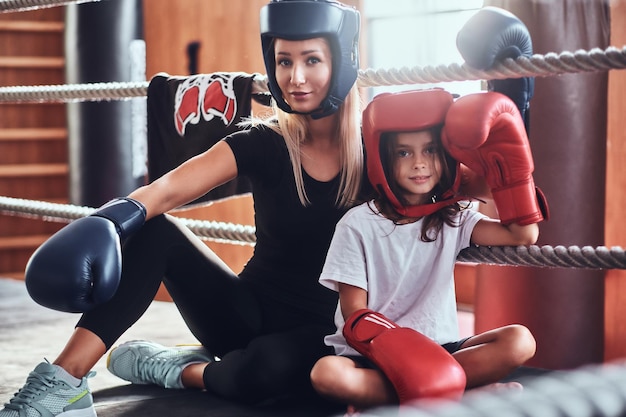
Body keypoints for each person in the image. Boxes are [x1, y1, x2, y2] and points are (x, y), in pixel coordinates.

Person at [0, 1, 365, 416]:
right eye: (284, 61)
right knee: (155, 229)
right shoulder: (264, 142)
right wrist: (109, 222)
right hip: (243, 317)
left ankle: (177, 369)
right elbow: (169, 188)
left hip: (324, 334)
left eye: (312, 60)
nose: (295, 77)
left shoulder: (380, 154)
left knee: (276, 372)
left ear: (342, 61)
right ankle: (64, 381)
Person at [310, 88, 546, 412]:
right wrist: (409, 366)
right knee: (327, 375)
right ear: (383, 159)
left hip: (441, 350)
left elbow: (523, 234)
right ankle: (456, 395)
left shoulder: (454, 216)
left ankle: (414, 396)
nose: (419, 164)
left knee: (520, 341)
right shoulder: (357, 225)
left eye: (431, 150)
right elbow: (355, 315)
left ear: (446, 155)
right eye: (404, 153)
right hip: (374, 353)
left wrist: (508, 175)